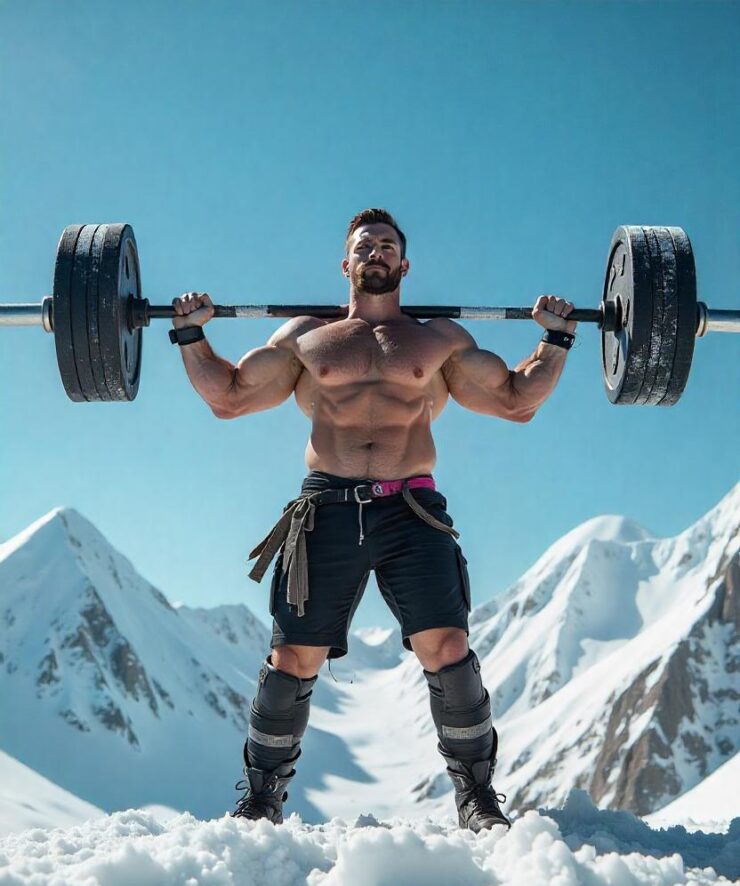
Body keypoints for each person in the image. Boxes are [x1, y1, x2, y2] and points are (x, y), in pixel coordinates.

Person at [171, 208, 576, 833]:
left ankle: (476, 797)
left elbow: (516, 401)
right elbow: (228, 397)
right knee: (293, 658)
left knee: (447, 647)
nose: (377, 253)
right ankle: (261, 800)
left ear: (404, 264)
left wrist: (556, 338)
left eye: (388, 246)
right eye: (366, 246)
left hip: (410, 508)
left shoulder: (438, 341)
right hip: (326, 507)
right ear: (347, 263)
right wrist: (191, 335)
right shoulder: (307, 339)